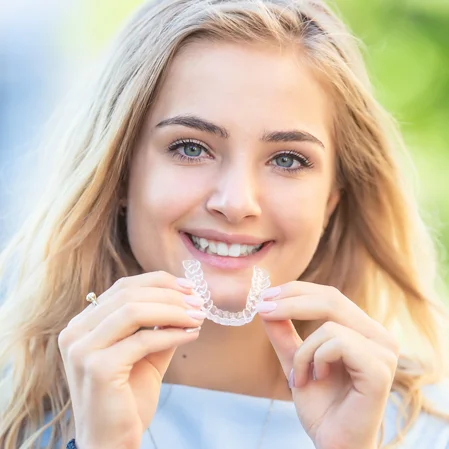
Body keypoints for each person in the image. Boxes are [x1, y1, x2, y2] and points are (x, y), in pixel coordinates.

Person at [0, 0, 448, 448]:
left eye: (287, 159)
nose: (236, 203)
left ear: (331, 199)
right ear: (119, 174)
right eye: (191, 148)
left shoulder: (429, 429)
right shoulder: (17, 423)